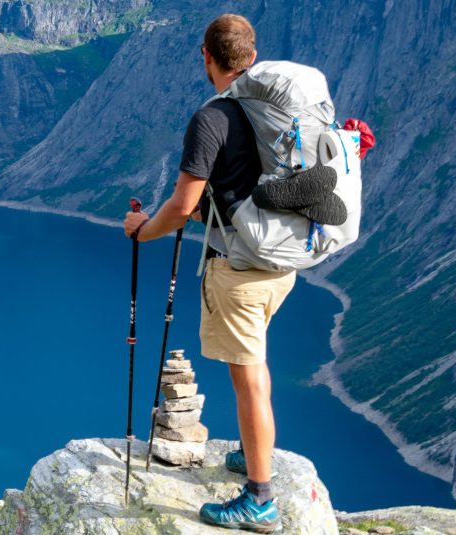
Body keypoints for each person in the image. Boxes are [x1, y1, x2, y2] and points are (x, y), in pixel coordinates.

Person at [123, 13, 293, 533]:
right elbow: (240, 190)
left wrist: (140, 230)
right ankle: (250, 452)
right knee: (255, 368)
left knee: (247, 382)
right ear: (252, 56)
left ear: (206, 56)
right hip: (281, 261)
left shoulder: (213, 118)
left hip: (240, 271)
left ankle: (259, 499)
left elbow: (182, 205)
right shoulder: (275, 107)